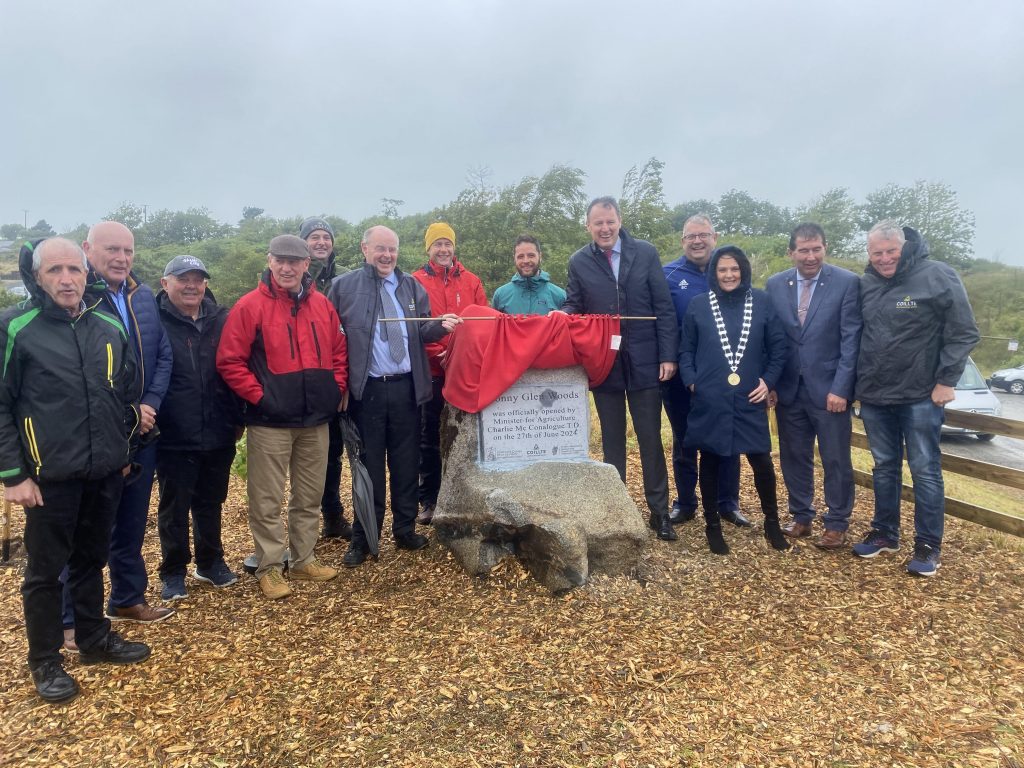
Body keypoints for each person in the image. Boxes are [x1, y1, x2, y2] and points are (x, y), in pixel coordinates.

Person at [1, 238, 151, 703]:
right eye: (55, 271)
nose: (67, 279)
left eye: (75, 270)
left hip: (104, 468)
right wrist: (13, 475)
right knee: (45, 572)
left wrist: (122, 451)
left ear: (87, 274)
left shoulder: (107, 324)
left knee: (90, 559)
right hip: (48, 475)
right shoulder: (16, 328)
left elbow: (123, 392)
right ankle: (45, 659)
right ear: (38, 277)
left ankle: (93, 637)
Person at [217, 235, 348, 599]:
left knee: (309, 495)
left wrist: (334, 390)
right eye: (281, 260)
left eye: (295, 261)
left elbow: (339, 351)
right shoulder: (249, 306)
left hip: (315, 420)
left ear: (308, 264)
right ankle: (270, 567)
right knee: (267, 499)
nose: (287, 268)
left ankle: (304, 559)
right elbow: (230, 361)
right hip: (270, 421)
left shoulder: (322, 305)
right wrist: (262, 398)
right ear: (270, 261)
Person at [328, 225, 461, 567]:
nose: (386, 256)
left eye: (392, 249)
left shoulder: (411, 286)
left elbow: (421, 330)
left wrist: (440, 325)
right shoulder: (343, 288)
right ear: (364, 249)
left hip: (407, 388)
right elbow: (333, 340)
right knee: (369, 468)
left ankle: (404, 529)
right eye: (380, 249)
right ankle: (363, 537)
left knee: (405, 464)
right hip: (367, 391)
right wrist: (339, 385)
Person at [852, 221, 979, 576]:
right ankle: (885, 532)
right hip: (876, 395)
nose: (884, 258)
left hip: (921, 395)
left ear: (905, 246)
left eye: (891, 251)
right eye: (877, 253)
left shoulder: (937, 275)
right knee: (884, 468)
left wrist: (946, 379)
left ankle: (927, 545)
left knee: (924, 470)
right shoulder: (867, 283)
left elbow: (964, 331)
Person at [561, 197, 679, 540]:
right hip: (605, 363)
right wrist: (562, 315)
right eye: (598, 223)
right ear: (588, 226)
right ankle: (618, 512)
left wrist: (667, 355)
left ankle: (659, 513)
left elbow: (664, 307)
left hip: (646, 361)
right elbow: (574, 304)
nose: (605, 228)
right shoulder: (579, 261)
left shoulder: (645, 252)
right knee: (612, 442)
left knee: (650, 439)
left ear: (619, 220)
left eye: (609, 221)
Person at [83, 221, 174, 624]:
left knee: (133, 519)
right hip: (98, 432)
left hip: (143, 430)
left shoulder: (141, 297)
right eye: (111, 250)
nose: (121, 258)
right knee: (86, 527)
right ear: (88, 249)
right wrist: (131, 412)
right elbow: (82, 375)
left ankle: (127, 597)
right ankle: (71, 618)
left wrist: (149, 404)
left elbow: (163, 355)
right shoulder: (78, 298)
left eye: (128, 251)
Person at [678, 245, 790, 555]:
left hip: (749, 396)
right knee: (711, 460)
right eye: (722, 269)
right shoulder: (700, 305)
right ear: (714, 273)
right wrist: (691, 381)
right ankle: (712, 526)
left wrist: (768, 382)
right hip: (710, 396)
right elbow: (685, 349)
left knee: (762, 461)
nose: (729, 275)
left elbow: (779, 349)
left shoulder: (762, 302)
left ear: (743, 271)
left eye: (734, 269)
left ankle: (772, 522)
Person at [766, 223, 862, 550]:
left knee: (835, 458)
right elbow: (774, 339)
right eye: (803, 250)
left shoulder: (847, 283)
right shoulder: (776, 284)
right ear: (791, 252)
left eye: (816, 249)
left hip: (830, 390)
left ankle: (836, 522)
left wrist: (843, 388)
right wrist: (774, 383)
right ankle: (801, 515)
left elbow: (851, 341)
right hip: (790, 389)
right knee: (794, 456)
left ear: (825, 247)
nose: (810, 256)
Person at [155, 255, 244, 601]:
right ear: (166, 283)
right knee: (174, 506)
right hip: (174, 431)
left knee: (211, 500)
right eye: (183, 278)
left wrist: (237, 417)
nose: (191, 285)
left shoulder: (222, 319)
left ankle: (210, 561)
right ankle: (173, 570)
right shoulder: (154, 321)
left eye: (198, 279)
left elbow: (236, 366)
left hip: (219, 426)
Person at [661, 215, 746, 528]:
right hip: (680, 375)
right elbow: (662, 322)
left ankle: (728, 503)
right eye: (690, 237)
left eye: (703, 235)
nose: (697, 241)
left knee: (727, 436)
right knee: (684, 439)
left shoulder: (730, 272)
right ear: (683, 241)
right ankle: (685, 503)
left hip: (725, 374)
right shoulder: (668, 274)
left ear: (715, 236)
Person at [411, 223, 486, 525]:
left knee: (466, 435)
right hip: (431, 371)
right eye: (437, 244)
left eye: (447, 244)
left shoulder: (472, 281)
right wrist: (436, 353)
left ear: (454, 247)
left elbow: (484, 323)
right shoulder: (414, 282)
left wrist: (462, 354)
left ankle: (467, 494)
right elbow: (412, 328)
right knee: (428, 438)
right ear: (428, 248)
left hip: (464, 371)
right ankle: (429, 498)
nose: (443, 249)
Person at [300, 216, 353, 540]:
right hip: (304, 377)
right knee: (308, 454)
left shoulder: (347, 278)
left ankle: (333, 515)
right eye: (314, 237)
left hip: (340, 373)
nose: (321, 242)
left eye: (325, 237)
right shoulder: (293, 278)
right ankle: (307, 519)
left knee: (335, 451)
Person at [491, 234, 567, 316]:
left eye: (531, 255)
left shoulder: (559, 295)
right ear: (514, 259)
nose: (526, 261)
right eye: (520, 256)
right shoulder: (501, 295)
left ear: (540, 256)